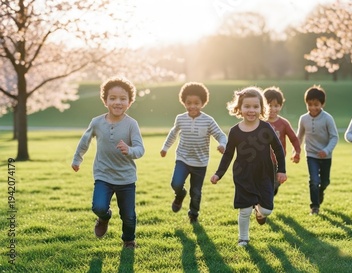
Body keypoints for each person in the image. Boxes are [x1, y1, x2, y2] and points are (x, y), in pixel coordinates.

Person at [71, 76, 145, 249]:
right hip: (103, 175)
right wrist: (77, 158)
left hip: (126, 178)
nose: (117, 102)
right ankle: (103, 217)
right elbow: (85, 141)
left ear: (129, 102)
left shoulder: (131, 124)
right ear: (105, 101)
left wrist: (130, 150)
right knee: (98, 206)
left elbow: (140, 149)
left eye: (122, 99)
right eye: (112, 98)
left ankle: (129, 240)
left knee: (128, 216)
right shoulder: (97, 122)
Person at [210, 87, 287, 247]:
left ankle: (259, 212)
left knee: (267, 210)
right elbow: (228, 155)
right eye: (247, 106)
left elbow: (278, 149)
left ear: (261, 108)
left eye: (255, 106)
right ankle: (243, 238)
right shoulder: (235, 132)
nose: (251, 110)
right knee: (244, 211)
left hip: (265, 174)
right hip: (243, 175)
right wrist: (218, 174)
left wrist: (281, 170)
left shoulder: (266, 128)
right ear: (239, 108)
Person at [160, 82, 227, 223]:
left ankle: (193, 214)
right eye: (189, 102)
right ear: (183, 102)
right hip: (182, 158)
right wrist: (165, 148)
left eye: (196, 103)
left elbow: (221, 135)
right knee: (176, 183)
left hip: (200, 162)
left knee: (196, 192)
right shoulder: (180, 118)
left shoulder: (208, 121)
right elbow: (173, 133)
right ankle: (180, 194)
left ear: (203, 103)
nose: (192, 106)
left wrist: (222, 144)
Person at [297, 85, 338, 215]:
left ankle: (320, 191)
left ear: (322, 104)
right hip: (311, 155)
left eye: (316, 104)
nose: (313, 107)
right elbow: (299, 136)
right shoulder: (303, 119)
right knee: (314, 180)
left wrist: (326, 150)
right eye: (309, 104)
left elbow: (334, 137)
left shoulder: (327, 118)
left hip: (326, 156)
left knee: (325, 182)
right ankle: (314, 207)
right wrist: (296, 151)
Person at [263, 86, 301, 196]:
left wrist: (297, 152)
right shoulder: (259, 122)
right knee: (263, 185)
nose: (272, 109)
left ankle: (265, 200)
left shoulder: (283, 123)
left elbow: (294, 139)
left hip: (277, 161)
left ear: (280, 106)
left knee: (274, 185)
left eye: (276, 106)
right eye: (269, 105)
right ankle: (260, 205)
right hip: (261, 161)